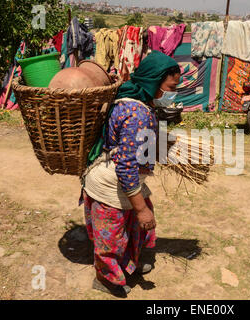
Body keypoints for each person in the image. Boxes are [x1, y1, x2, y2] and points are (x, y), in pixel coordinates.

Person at [81, 50, 181, 297]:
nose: (171, 92)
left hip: (123, 179)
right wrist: (140, 208)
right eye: (170, 86)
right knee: (112, 238)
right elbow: (126, 165)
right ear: (154, 80)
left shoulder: (133, 99)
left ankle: (128, 265)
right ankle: (105, 279)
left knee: (136, 230)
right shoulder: (138, 113)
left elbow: (133, 146)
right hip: (112, 184)